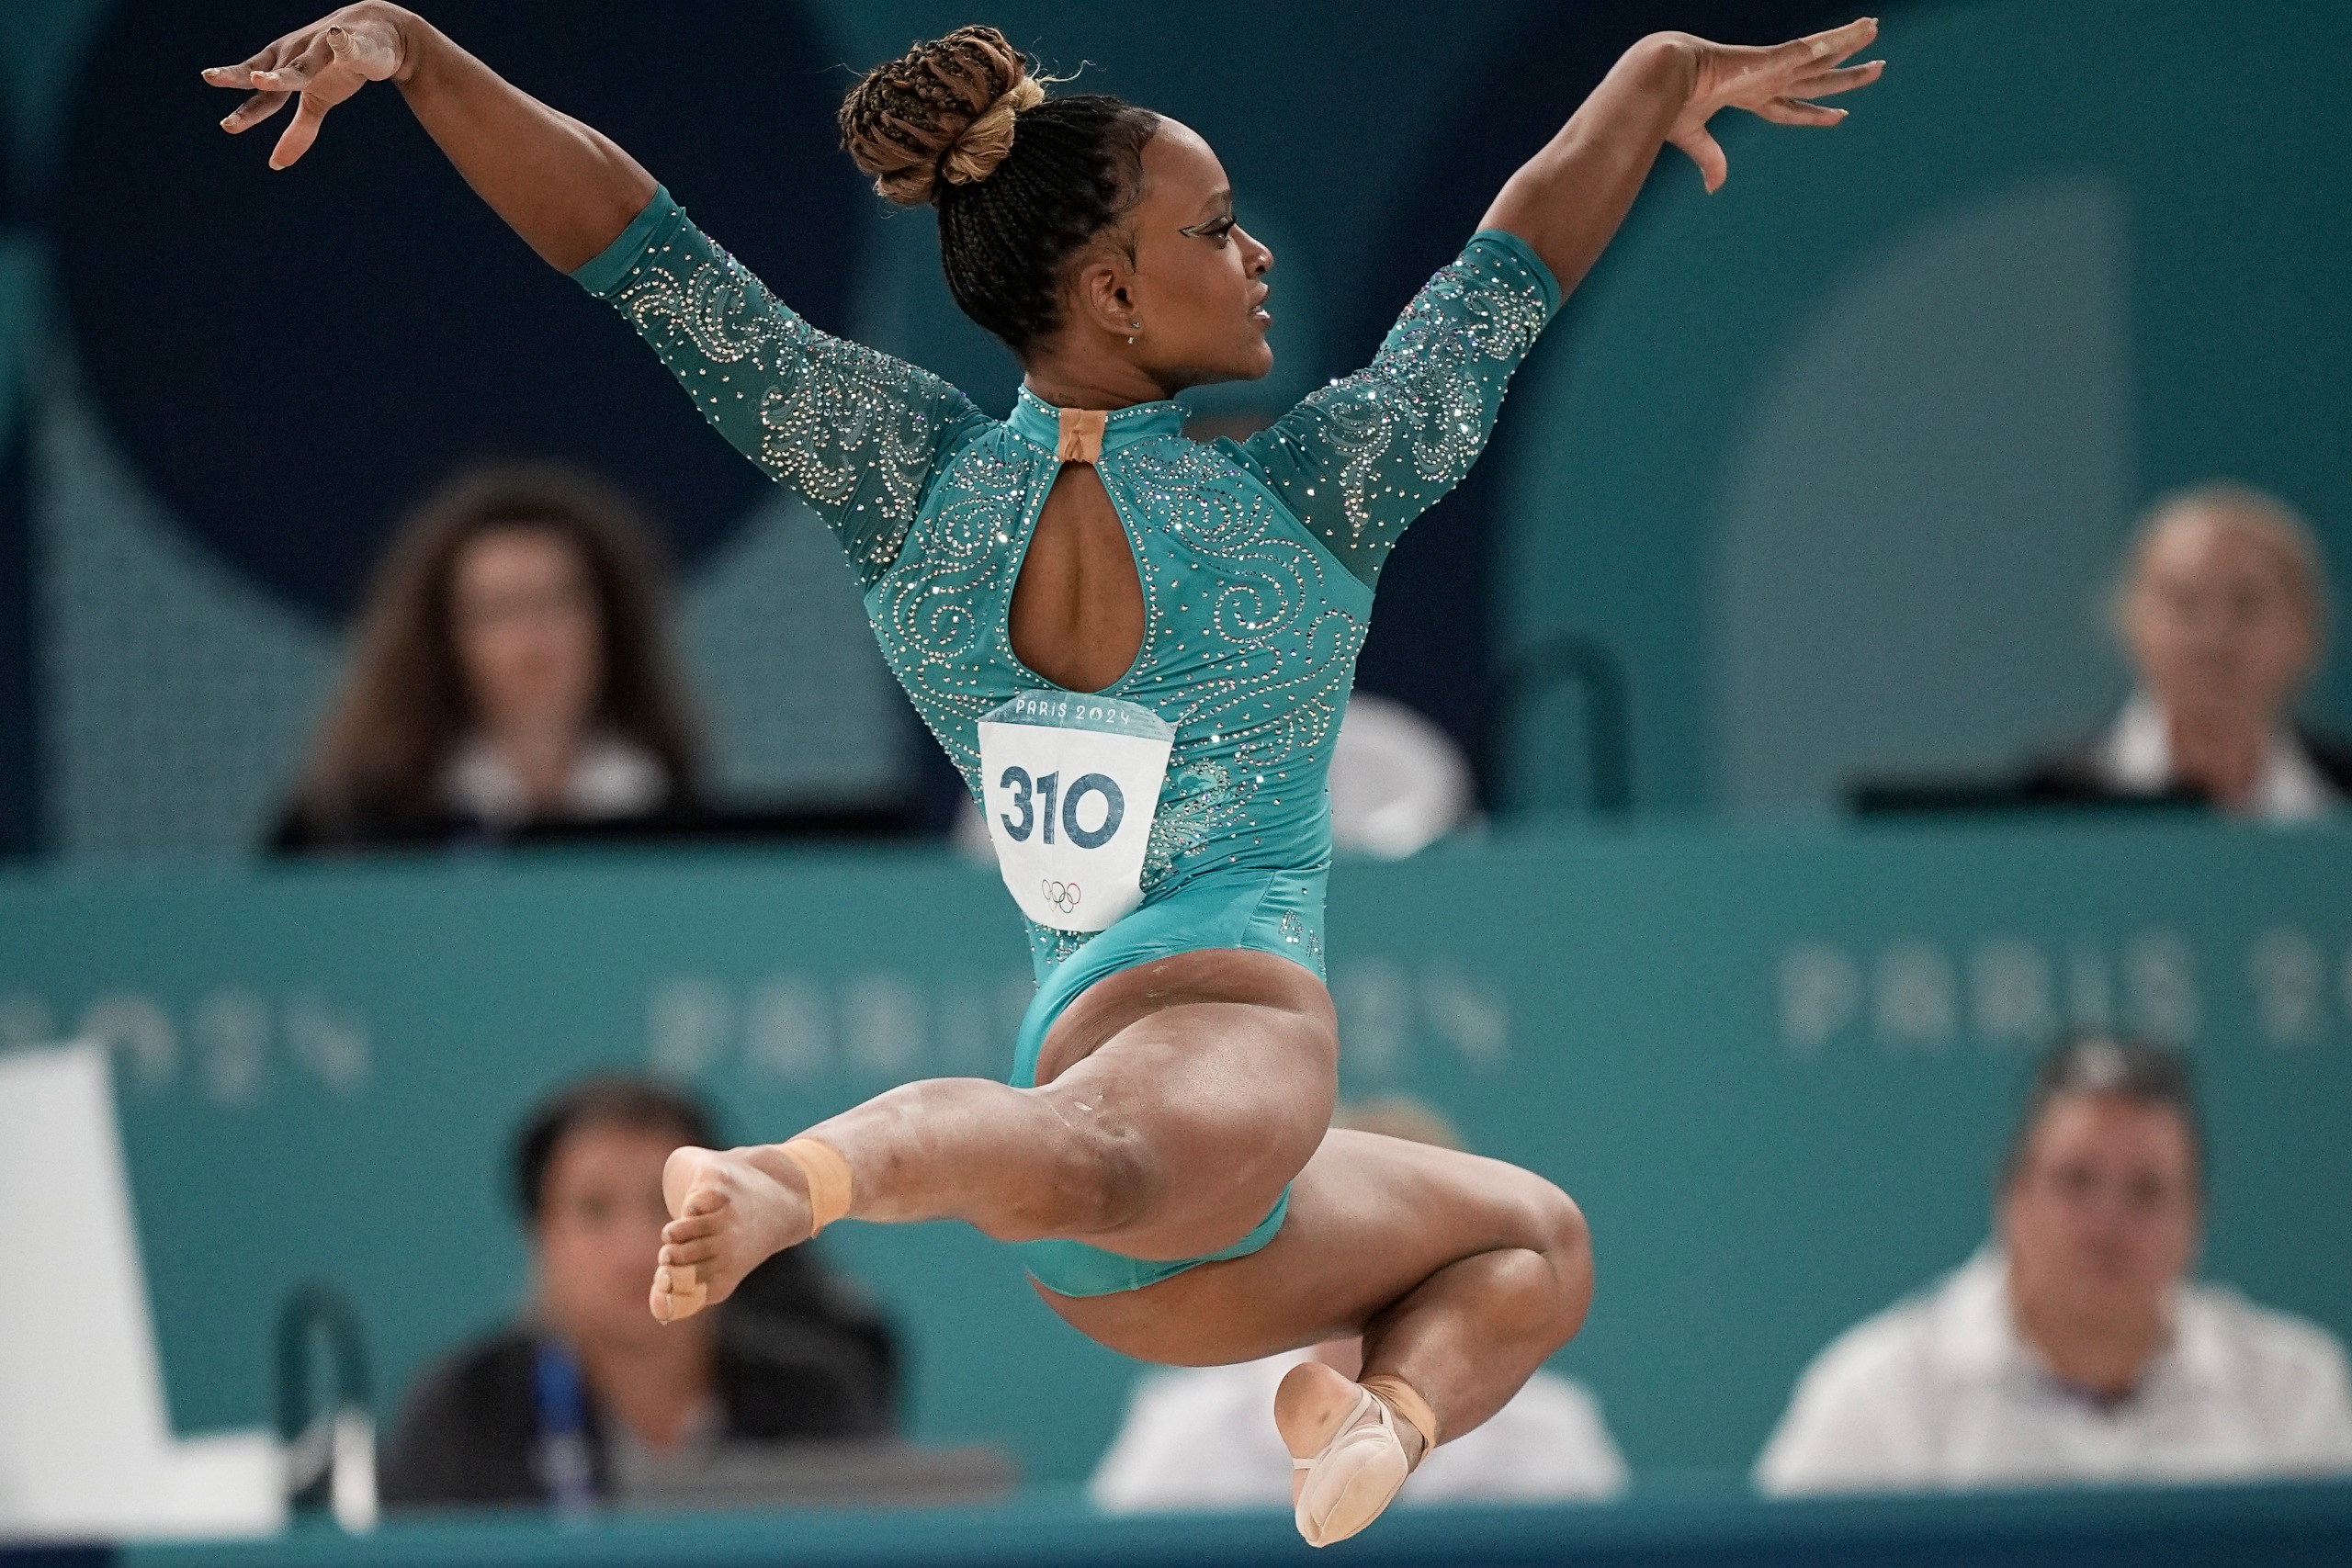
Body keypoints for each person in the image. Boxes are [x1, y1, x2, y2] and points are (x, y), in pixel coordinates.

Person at [206, 9, 1881, 1542]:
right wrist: (1648, 79)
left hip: (1133, 1247)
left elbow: (645, 259)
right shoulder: (1311, 498)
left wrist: (425, 64)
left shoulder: (907, 490)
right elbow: (1510, 269)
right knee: (1090, 1149)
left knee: (1535, 1245)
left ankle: (1373, 1414)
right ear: (1115, 292)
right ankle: (800, 1178)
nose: (1258, 252)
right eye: (1215, 227)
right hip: (1210, 1051)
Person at [1755, 1035, 2352, 1495]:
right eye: (2075, 1181)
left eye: (2146, 1191)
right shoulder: (1878, 1394)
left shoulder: (2294, 1388)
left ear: (2194, 1220)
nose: (2106, 1221)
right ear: (2010, 1197)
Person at [378, 1076, 897, 1509]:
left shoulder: (818, 1401)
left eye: (666, 1204)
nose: (636, 1248)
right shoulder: (463, 1416)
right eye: (594, 1211)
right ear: (540, 1235)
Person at [1089, 1099, 1627, 1512]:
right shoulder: (1187, 1428)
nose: (1388, 1270)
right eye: (1364, 1234)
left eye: (1427, 1245)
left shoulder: (1552, 1432)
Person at [270, 460, 701, 852]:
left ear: (614, 624)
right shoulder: (350, 835)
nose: (532, 636)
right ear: (442, 641)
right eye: (498, 610)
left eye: (558, 602)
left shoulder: (682, 823)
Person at [2021, 483, 2347, 820]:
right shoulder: (2049, 803)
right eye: (2185, 604)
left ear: (2304, 626)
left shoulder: (2338, 790)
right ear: (2130, 620)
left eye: (2247, 605)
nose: (2215, 637)